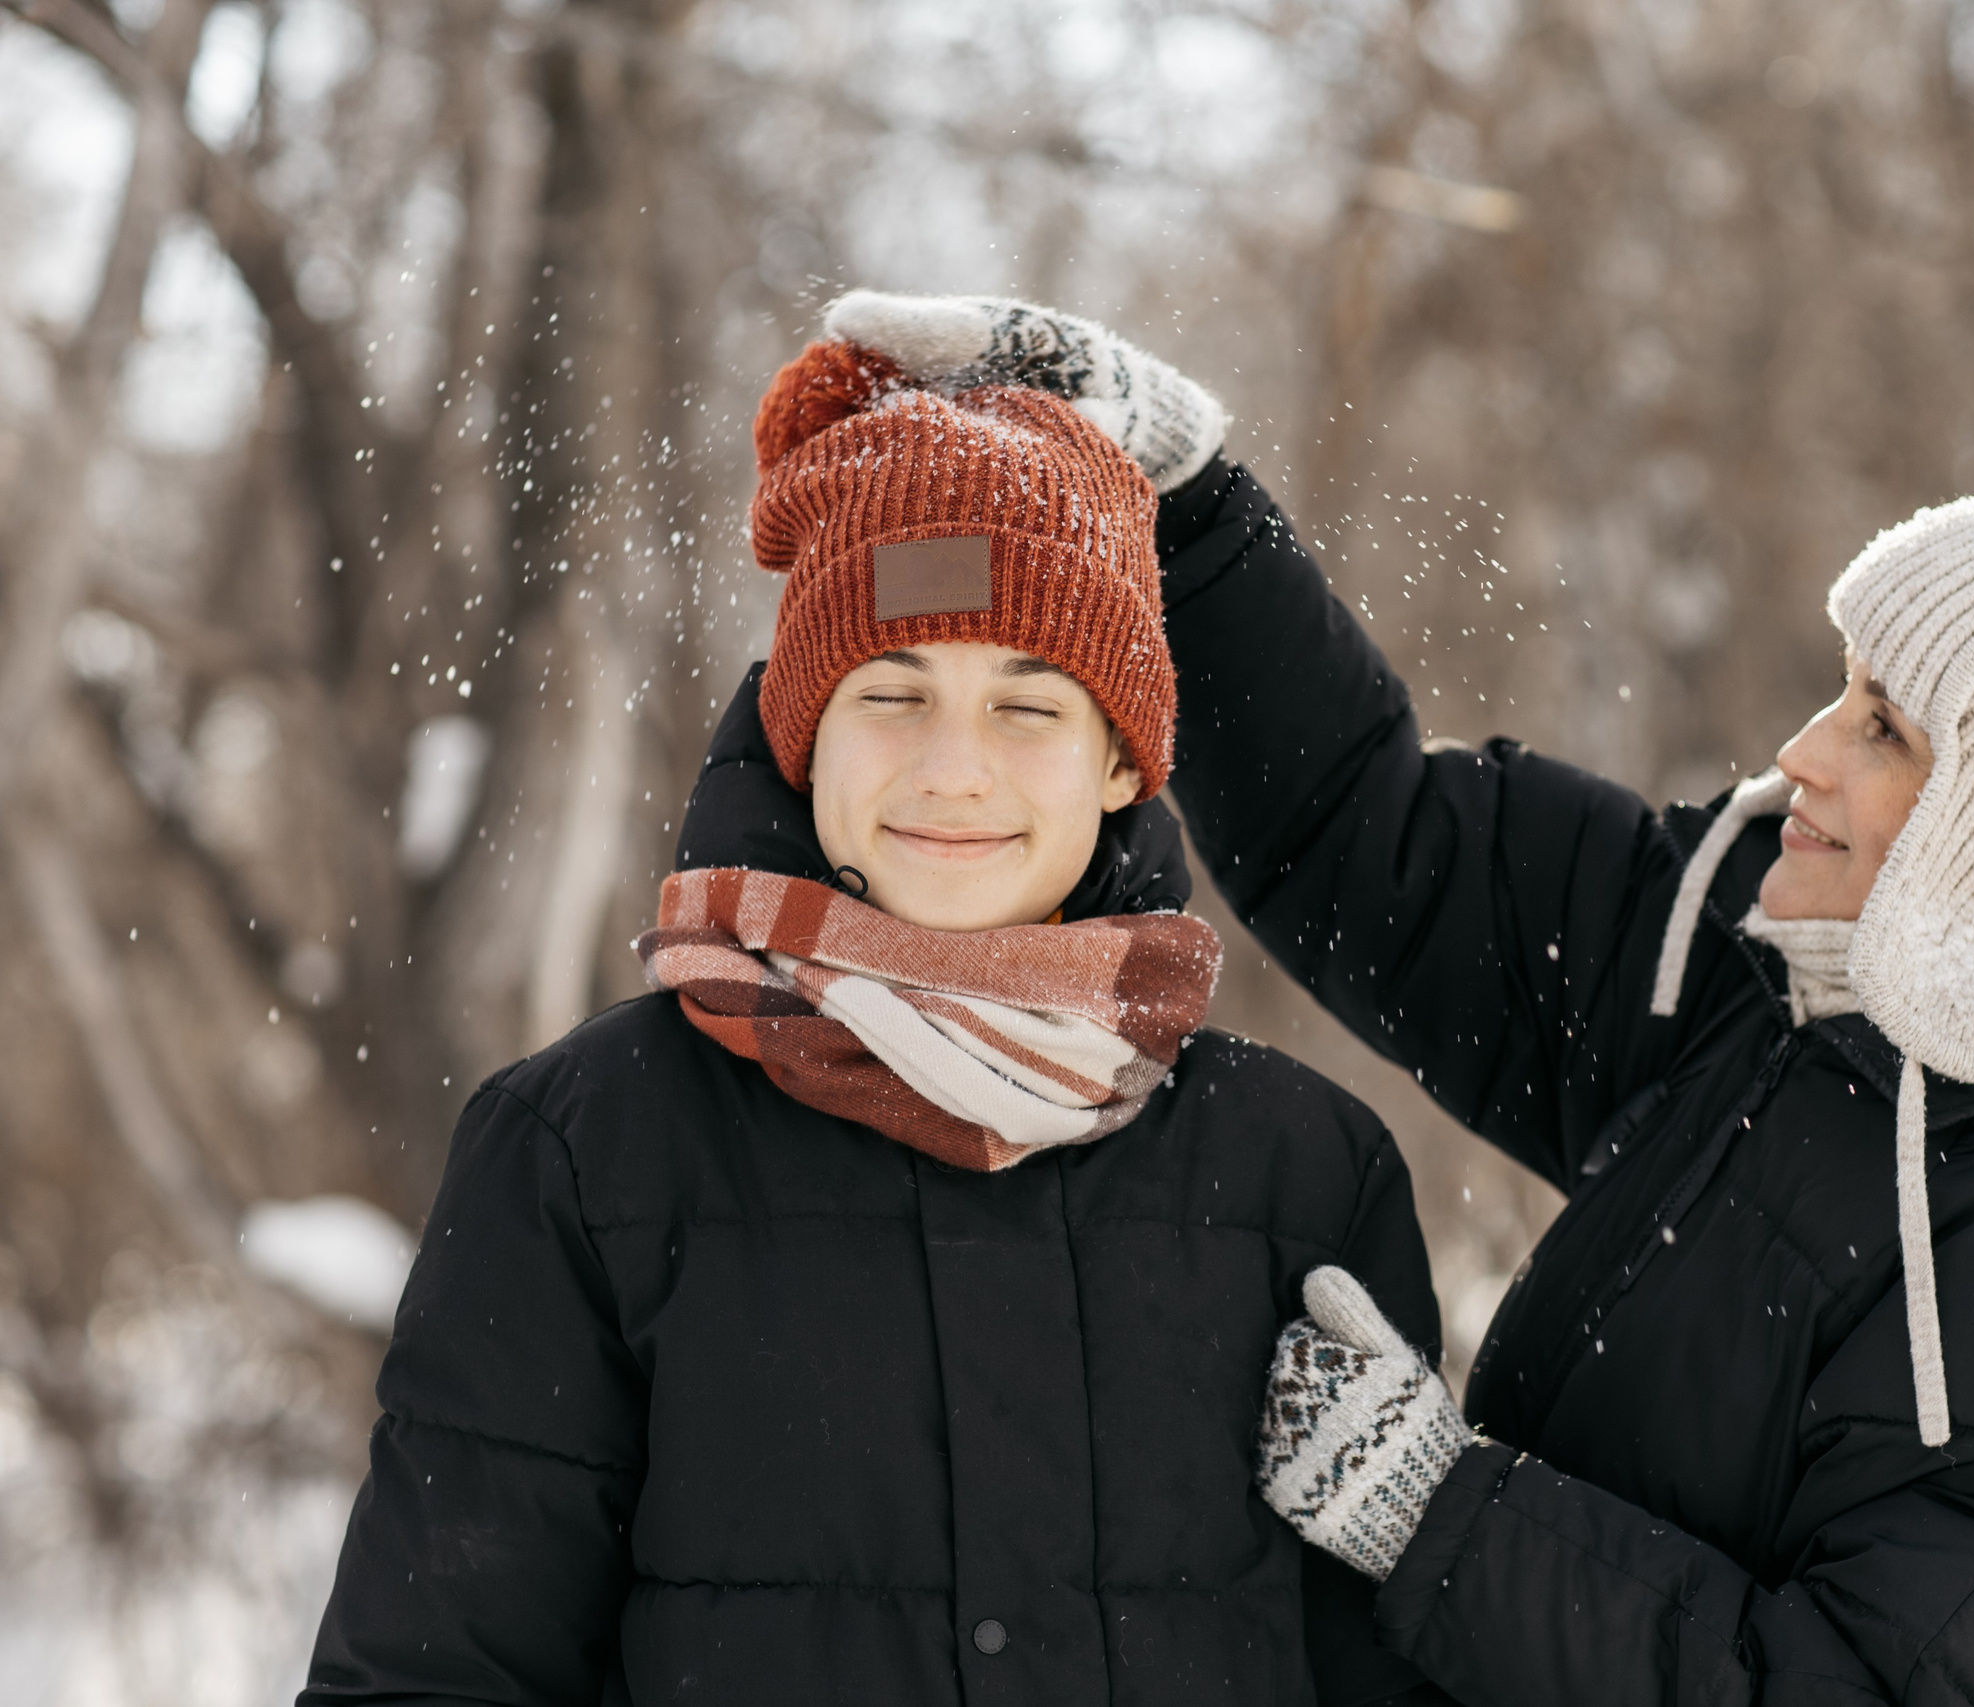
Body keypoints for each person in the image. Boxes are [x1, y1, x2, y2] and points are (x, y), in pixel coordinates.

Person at [822, 292, 1974, 1706]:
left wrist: (1436, 1516)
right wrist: (1188, 502)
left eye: (1883, 729)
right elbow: (1383, 843)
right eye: (1842, 690)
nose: (1805, 753)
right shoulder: (1779, 980)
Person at [300, 329, 1453, 1705]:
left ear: (1117, 763)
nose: (953, 770)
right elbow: (433, 1677)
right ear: (806, 734)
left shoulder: (1302, 1172)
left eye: (1029, 706)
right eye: (892, 694)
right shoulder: (584, 1151)